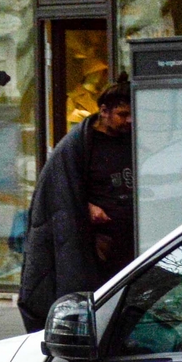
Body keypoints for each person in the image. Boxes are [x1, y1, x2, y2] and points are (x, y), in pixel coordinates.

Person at [18, 81, 134, 331]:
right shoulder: (77, 145)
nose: (129, 121)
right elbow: (59, 191)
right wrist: (87, 207)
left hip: (131, 236)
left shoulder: (132, 139)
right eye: (123, 114)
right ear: (104, 111)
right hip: (97, 242)